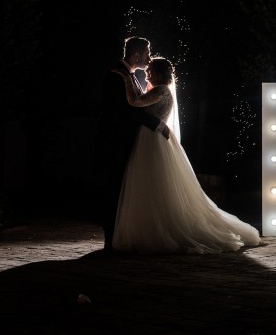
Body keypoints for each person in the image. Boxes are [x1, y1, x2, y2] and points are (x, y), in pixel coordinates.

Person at [111, 57, 261, 254]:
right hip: (151, 138)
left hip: (152, 140)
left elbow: (135, 101)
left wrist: (126, 78)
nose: (148, 74)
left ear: (160, 74)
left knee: (154, 183)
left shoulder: (161, 90)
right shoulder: (159, 90)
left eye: (151, 71)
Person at [94, 36, 170, 251]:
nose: (149, 57)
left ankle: (117, 236)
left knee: (122, 189)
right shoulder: (116, 75)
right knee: (115, 188)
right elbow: (127, 111)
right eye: (147, 52)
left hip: (127, 142)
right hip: (116, 142)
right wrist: (158, 125)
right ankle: (111, 238)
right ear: (136, 54)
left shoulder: (129, 75)